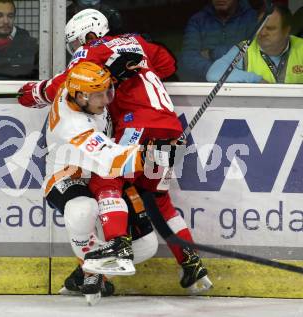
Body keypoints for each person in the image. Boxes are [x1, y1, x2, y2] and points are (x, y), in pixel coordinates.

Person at [18, 9, 212, 294]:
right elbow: (168, 65)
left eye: (75, 44)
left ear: (89, 35)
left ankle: (117, 246)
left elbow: (69, 84)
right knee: (160, 200)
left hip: (139, 126)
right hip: (171, 127)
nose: (76, 51)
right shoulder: (137, 43)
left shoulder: (91, 51)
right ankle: (190, 262)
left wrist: (33, 93)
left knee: (107, 177)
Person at [44, 61, 159, 303]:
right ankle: (93, 269)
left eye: (109, 91)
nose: (107, 100)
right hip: (67, 175)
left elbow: (56, 83)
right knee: (82, 210)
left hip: (99, 173)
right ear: (80, 97)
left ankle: (88, 270)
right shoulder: (72, 124)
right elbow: (110, 160)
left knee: (148, 246)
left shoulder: (77, 88)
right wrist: (157, 154)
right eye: (99, 95)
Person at [206, 4, 303, 84]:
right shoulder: (245, 48)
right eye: (260, 26)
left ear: (286, 31)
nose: (262, 32)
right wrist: (255, 79)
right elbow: (214, 73)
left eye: (270, 28)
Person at [178, 0, 258, 81]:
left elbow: (253, 53)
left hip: (243, 86)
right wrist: (217, 71)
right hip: (203, 87)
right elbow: (189, 58)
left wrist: (213, 53)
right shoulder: (197, 21)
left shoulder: (253, 18)